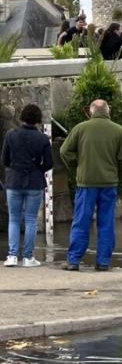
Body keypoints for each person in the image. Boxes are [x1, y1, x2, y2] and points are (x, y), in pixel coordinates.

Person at [60, 100, 122, 271]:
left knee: (81, 221)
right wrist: (117, 171)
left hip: (86, 183)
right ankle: (103, 262)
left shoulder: (80, 128)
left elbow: (64, 151)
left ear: (90, 112)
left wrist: (76, 165)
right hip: (109, 183)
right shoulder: (119, 131)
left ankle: (73, 261)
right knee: (106, 223)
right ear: (109, 111)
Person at [1, 104, 53, 268]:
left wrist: (15, 167)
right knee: (31, 220)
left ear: (22, 117)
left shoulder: (11, 135)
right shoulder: (43, 139)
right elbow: (49, 163)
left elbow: (5, 161)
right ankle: (29, 258)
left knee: (14, 219)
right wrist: (37, 169)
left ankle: (12, 256)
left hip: (14, 181)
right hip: (34, 182)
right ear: (38, 120)